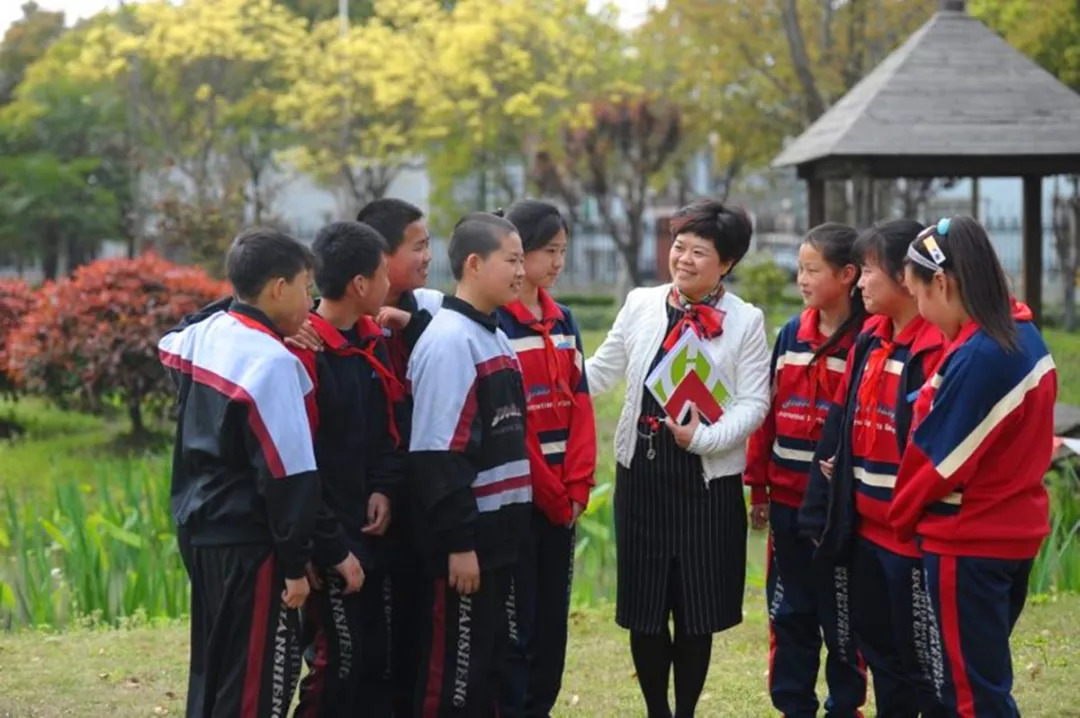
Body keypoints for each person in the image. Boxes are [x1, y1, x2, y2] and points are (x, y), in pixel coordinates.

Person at [158, 228, 362, 717]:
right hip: (254, 547)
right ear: (277, 288)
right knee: (258, 684)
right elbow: (289, 479)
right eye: (305, 286)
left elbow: (176, 333)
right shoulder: (272, 363)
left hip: (201, 534)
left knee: (214, 671)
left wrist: (236, 304)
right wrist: (297, 566)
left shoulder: (200, 337)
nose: (312, 301)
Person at [586, 199, 770, 718]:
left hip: (705, 485)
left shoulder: (746, 320)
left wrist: (704, 440)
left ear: (727, 263)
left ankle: (684, 711)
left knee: (696, 611)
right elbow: (600, 372)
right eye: (679, 247)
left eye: (699, 252)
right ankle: (656, 712)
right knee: (644, 611)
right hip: (641, 477)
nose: (683, 259)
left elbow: (755, 401)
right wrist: (540, 367)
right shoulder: (640, 303)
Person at [890, 216, 1055, 717]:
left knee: (970, 695)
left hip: (969, 538)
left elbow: (935, 461)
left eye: (917, 294)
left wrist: (898, 516)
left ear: (941, 283)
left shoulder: (983, 355)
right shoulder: (1022, 337)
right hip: (1011, 532)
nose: (918, 309)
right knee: (983, 679)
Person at [799, 219, 946, 718]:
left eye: (869, 271)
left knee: (923, 664)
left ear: (907, 276)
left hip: (912, 540)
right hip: (865, 534)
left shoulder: (935, 350)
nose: (861, 283)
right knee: (880, 656)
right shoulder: (868, 339)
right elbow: (838, 426)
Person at [409, 213, 532, 717]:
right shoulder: (449, 343)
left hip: (499, 543)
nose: (522, 272)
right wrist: (459, 545)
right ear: (476, 264)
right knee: (453, 682)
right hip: (467, 548)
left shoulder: (494, 336)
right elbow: (437, 456)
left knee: (490, 671)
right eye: (514, 260)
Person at [744, 223, 867, 717]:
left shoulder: (868, 340)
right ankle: (793, 706)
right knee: (788, 612)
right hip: (788, 505)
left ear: (848, 275)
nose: (801, 279)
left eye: (812, 270)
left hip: (839, 512)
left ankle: (846, 706)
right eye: (799, 269)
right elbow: (765, 413)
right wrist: (758, 486)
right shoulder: (791, 334)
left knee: (842, 616)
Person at [292, 221, 405, 717]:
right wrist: (324, 544)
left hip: (369, 527)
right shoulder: (303, 351)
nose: (389, 284)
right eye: (382, 274)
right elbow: (298, 460)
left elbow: (387, 428)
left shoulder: (372, 340)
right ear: (360, 284)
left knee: (376, 659)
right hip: (329, 536)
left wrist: (384, 487)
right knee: (336, 663)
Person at [494, 200, 596, 717]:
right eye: (546, 251)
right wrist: (551, 492)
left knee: (553, 620)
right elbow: (513, 423)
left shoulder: (564, 319)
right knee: (518, 622)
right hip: (521, 497)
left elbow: (580, 402)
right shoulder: (494, 323)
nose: (556, 263)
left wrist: (577, 487)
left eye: (562, 251)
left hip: (564, 500)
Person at [356, 197, 443, 716]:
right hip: (365, 506)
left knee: (416, 628)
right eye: (418, 246)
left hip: (419, 500)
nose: (428, 256)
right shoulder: (340, 324)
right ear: (379, 257)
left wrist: (409, 325)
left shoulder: (425, 309)